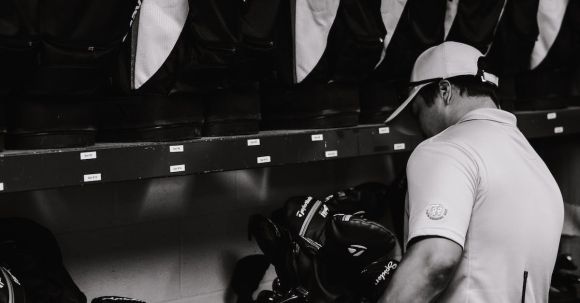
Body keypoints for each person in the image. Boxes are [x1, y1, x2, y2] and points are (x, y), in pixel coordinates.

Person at [380, 41, 564, 302]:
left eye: (417, 111)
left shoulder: (445, 148)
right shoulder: (535, 164)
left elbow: (434, 261)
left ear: (444, 90)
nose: (420, 127)